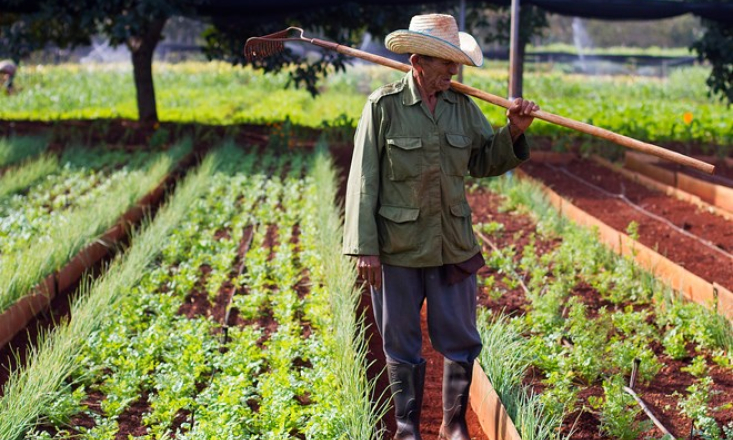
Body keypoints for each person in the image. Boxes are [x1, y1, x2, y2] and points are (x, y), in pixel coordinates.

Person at [342, 13, 539, 440]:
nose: (454, 70)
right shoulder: (383, 108)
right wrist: (364, 248)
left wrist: (514, 132)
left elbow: (485, 160)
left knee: (460, 337)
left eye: (456, 62)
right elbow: (363, 182)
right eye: (446, 63)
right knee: (400, 342)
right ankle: (407, 426)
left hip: (452, 244)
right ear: (417, 62)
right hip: (397, 249)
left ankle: (453, 425)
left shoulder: (462, 110)